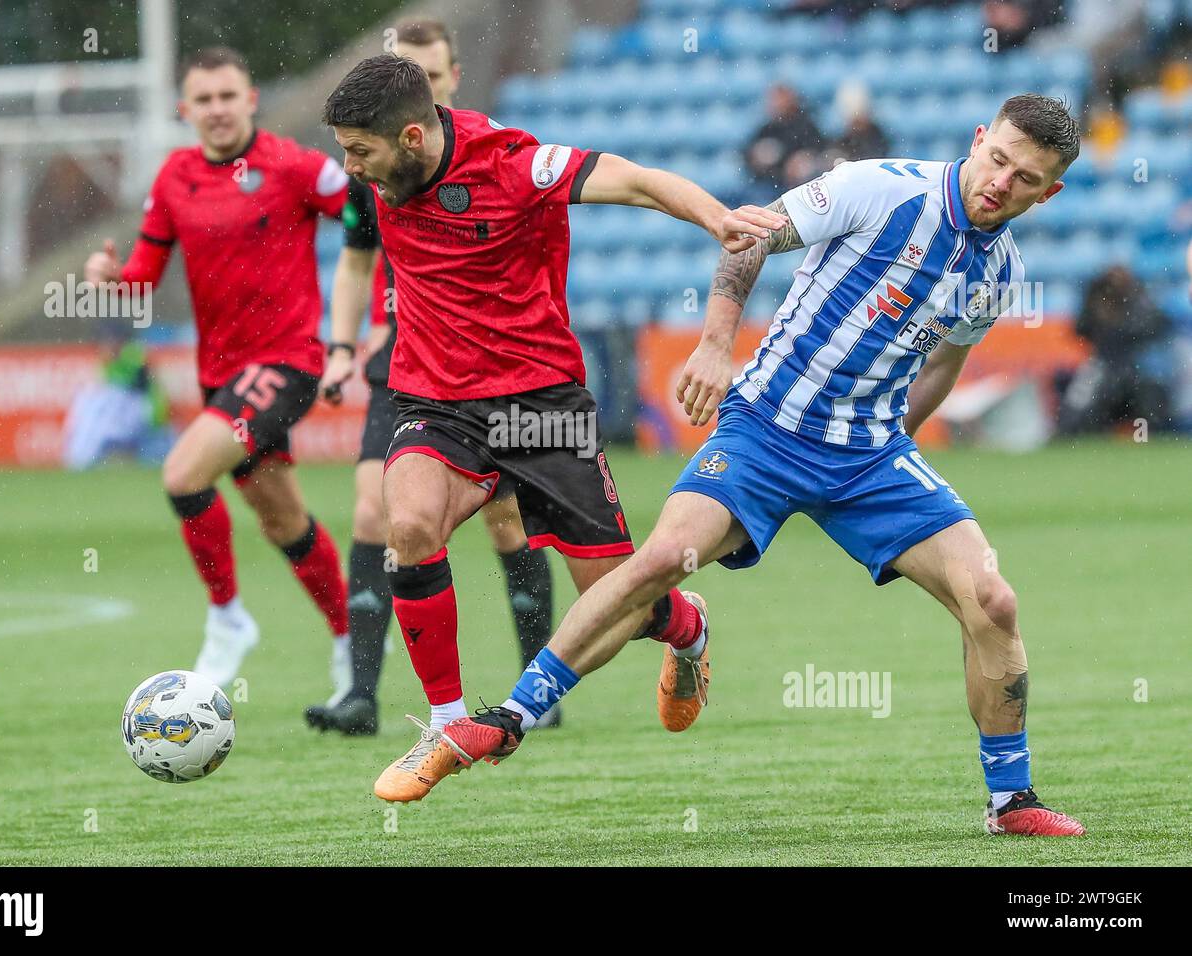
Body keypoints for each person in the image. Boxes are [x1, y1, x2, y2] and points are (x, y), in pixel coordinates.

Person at [411, 94, 1089, 839]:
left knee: (991, 600)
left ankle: (1010, 802)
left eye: (1026, 179)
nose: (1002, 182)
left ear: (1048, 191)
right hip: (765, 430)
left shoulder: (999, 271)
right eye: (998, 159)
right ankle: (511, 717)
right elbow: (747, 239)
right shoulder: (880, 188)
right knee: (661, 560)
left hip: (869, 457)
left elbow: (944, 362)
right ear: (979, 137)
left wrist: (900, 442)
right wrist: (713, 343)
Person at [321, 54, 785, 802]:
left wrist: (716, 217)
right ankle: (444, 724)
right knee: (407, 526)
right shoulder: (375, 178)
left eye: (359, 151)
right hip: (436, 404)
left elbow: (633, 179)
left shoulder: (513, 163)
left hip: (542, 406)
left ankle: (685, 626)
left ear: (410, 137)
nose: (350, 167)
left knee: (617, 600)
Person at [304, 20, 556, 737]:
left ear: (447, 82)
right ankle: (361, 692)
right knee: (373, 512)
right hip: (402, 362)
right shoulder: (370, 159)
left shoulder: (493, 157)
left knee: (506, 520)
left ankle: (539, 684)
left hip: (485, 366)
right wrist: (343, 347)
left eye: (431, 72)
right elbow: (355, 262)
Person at [83, 47, 351, 687]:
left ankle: (227, 617)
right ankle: (354, 644)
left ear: (251, 99)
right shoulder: (174, 176)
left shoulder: (294, 166)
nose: (217, 109)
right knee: (282, 517)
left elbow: (371, 213)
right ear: (185, 111)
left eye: (227, 95)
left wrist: (370, 316)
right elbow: (141, 279)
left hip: (287, 361)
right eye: (203, 100)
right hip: (222, 377)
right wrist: (108, 279)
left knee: (182, 473)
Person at [1058, 265, 1173, 435]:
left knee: (1150, 398)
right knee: (1078, 407)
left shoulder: (1136, 301)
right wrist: (1095, 300)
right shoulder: (1096, 301)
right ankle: (1082, 435)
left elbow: (1158, 325)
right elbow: (1080, 328)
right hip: (1102, 364)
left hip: (1132, 367)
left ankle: (1149, 434)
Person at [62, 323, 171, 470]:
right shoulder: (112, 363)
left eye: (109, 341)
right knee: (90, 398)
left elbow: (139, 383)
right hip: (132, 422)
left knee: (98, 398)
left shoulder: (132, 353)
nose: (104, 346)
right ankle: (80, 459)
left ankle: (80, 459)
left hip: (144, 415)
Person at [744, 84, 825, 195]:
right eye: (773, 100)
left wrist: (805, 158)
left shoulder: (806, 126)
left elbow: (819, 150)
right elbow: (749, 157)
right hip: (773, 185)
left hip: (803, 187)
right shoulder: (767, 129)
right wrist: (758, 159)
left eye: (780, 99)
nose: (776, 104)